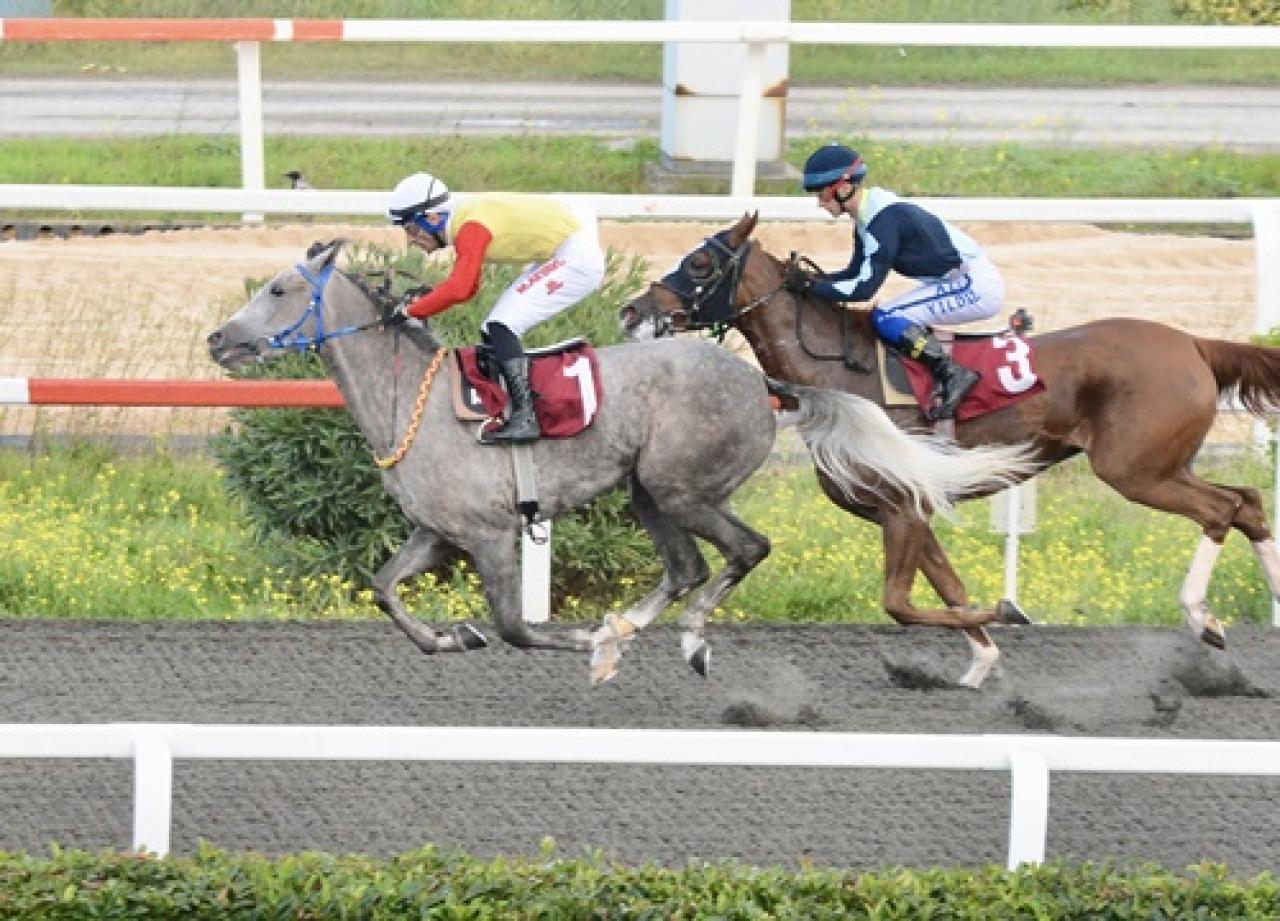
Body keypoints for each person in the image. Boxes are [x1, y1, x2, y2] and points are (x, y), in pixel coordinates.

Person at [783, 143, 1005, 421]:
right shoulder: (869, 215)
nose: (819, 202)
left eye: (822, 193)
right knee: (889, 316)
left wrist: (810, 287)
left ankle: (952, 373)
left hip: (975, 285)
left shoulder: (881, 221)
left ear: (843, 187)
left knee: (887, 316)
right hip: (959, 279)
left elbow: (864, 289)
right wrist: (813, 279)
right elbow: (855, 274)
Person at [386, 172, 606, 444]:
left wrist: (411, 311)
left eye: (410, 230)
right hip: (567, 239)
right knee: (493, 327)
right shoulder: (464, 221)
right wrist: (423, 302)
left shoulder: (470, 228)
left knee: (501, 325)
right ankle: (506, 405)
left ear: (432, 217)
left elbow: (461, 288)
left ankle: (526, 419)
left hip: (575, 256)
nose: (411, 241)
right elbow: (469, 286)